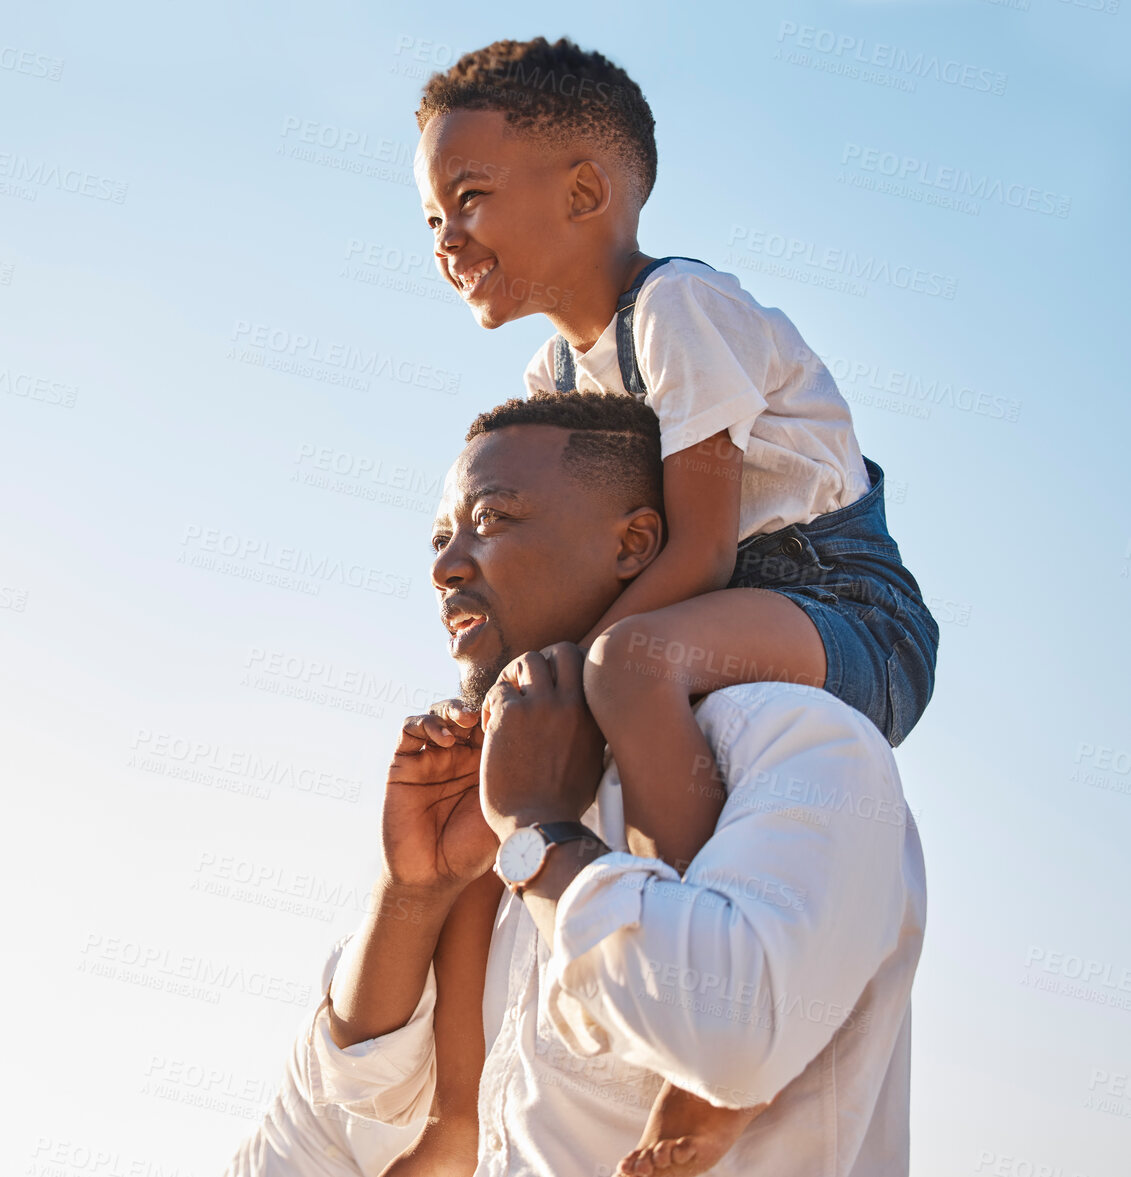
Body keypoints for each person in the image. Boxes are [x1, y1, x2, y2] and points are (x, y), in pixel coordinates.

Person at [404, 37, 940, 1176]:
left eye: (469, 198)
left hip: (833, 599)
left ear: (586, 191)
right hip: (717, 603)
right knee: (594, 680)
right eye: (431, 217)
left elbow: (694, 545)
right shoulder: (559, 379)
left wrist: (580, 682)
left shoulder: (676, 310)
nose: (446, 238)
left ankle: (714, 1069)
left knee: (625, 669)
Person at [225, 391, 926, 1177]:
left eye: (492, 519)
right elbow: (308, 1143)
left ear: (635, 543)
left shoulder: (798, 745)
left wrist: (537, 832)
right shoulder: (483, 823)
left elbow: (727, 1032)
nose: (445, 564)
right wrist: (410, 893)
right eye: (439, 536)